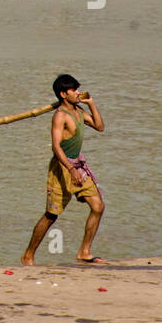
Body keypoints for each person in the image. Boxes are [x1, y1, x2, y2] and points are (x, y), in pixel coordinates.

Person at [22, 75, 105, 266]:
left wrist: (91, 104)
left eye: (78, 89)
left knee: (98, 207)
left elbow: (99, 127)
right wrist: (70, 168)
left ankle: (84, 251)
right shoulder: (60, 116)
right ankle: (28, 255)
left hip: (78, 166)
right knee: (51, 215)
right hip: (62, 167)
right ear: (63, 94)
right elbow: (56, 147)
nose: (78, 93)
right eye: (74, 90)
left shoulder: (79, 111)